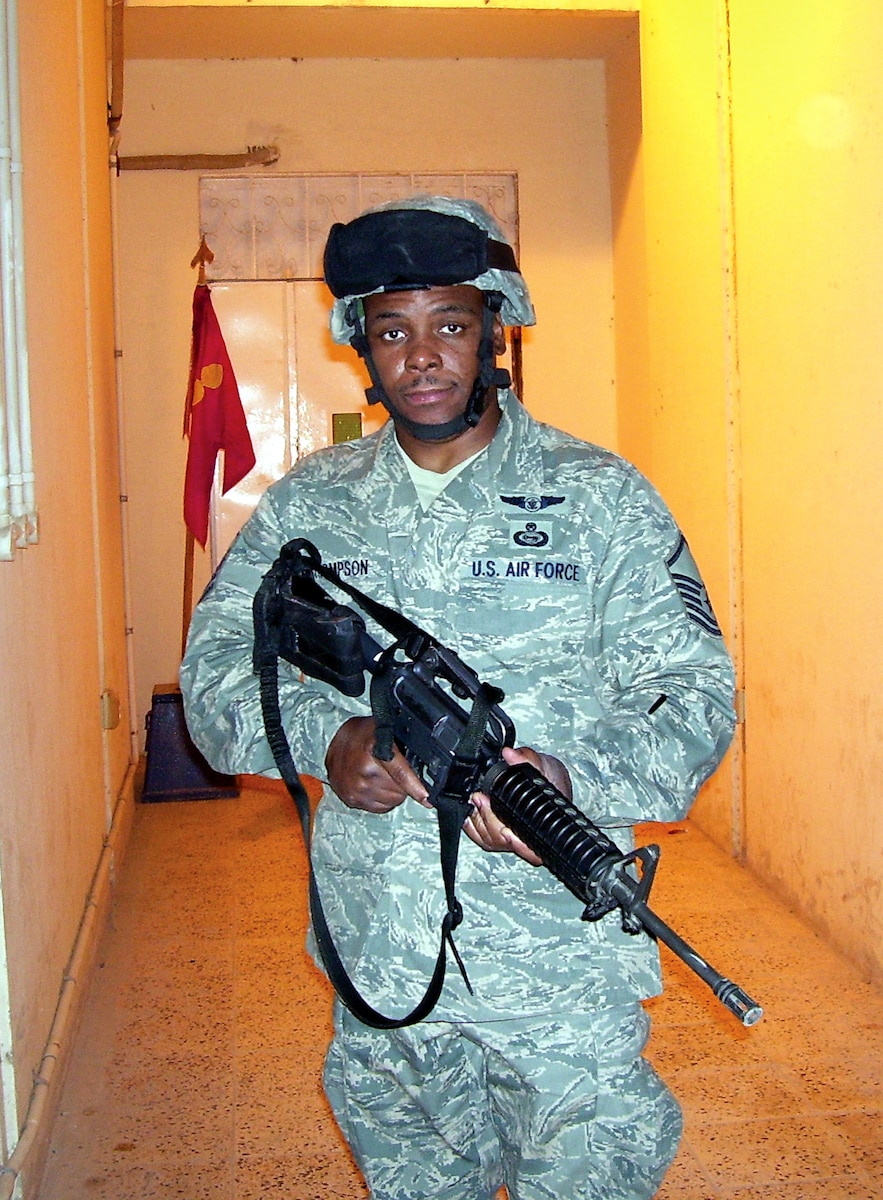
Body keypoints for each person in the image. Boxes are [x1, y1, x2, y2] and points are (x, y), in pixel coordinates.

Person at [180, 194, 735, 1200]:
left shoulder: (600, 498)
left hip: (555, 967)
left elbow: (695, 695)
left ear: (495, 333)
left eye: (450, 324)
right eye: (393, 331)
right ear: (363, 347)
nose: (423, 356)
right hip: (383, 959)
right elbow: (215, 674)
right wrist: (325, 739)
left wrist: (572, 774)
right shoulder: (311, 504)